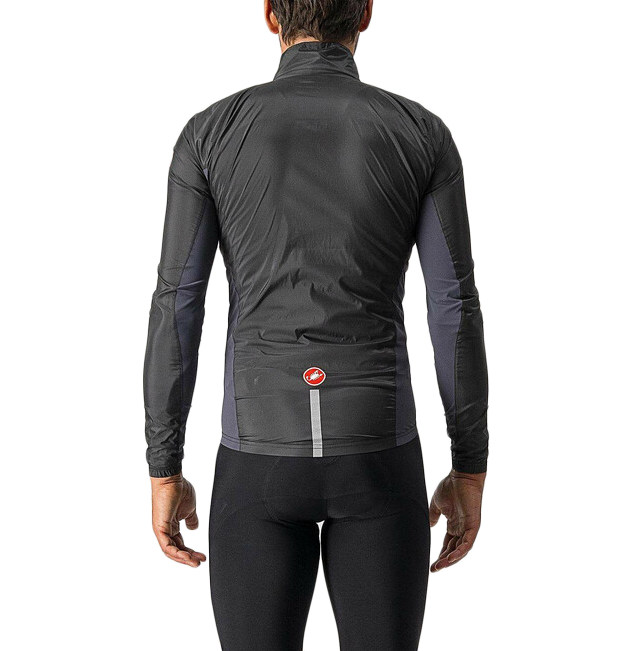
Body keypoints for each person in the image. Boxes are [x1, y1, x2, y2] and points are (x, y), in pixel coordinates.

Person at [143, 1, 489, 649]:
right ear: (366, 14)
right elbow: (453, 306)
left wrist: (164, 466)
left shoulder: (208, 133)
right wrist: (468, 465)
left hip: (257, 454)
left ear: (270, 15)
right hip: (377, 452)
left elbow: (177, 304)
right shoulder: (420, 132)